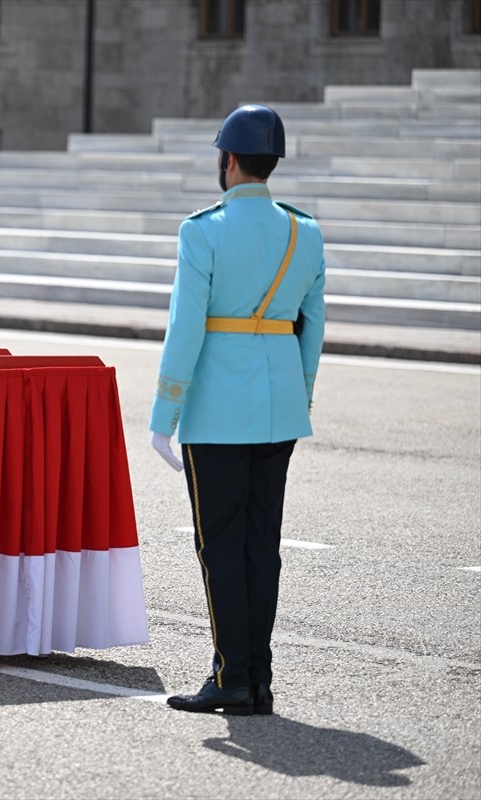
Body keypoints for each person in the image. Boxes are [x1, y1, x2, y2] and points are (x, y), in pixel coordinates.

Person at [149, 105, 326, 716]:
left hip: (219, 411)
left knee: (219, 545)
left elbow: (185, 329)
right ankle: (260, 680)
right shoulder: (305, 231)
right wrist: (298, 394)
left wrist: (164, 411)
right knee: (260, 544)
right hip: (279, 408)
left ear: (227, 161)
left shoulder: (202, 230)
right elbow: (313, 325)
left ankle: (231, 678)